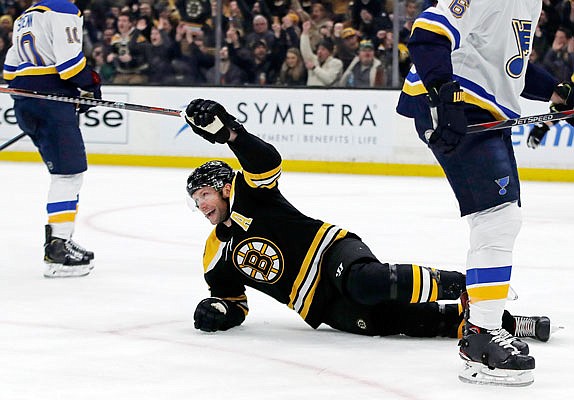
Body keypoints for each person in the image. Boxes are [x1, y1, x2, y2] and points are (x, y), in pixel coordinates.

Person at [182, 98, 554, 347]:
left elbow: (266, 161)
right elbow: (232, 300)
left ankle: (469, 285)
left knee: (366, 283)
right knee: (386, 319)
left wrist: (232, 133)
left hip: (329, 252)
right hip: (318, 304)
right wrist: (219, 313)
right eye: (196, 200)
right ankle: (508, 323)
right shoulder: (215, 253)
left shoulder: (251, 191)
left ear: (226, 187)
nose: (201, 206)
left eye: (204, 195)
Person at [396, 0, 567, 386]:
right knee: (498, 218)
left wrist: (555, 90)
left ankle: (482, 327)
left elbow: (506, 67)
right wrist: (444, 92)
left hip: (484, 107)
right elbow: (427, 33)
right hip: (458, 104)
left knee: (498, 219)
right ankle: (481, 337)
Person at [2, 0, 101, 278]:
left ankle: (60, 241)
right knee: (68, 175)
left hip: (25, 101)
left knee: (63, 172)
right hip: (49, 101)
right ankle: (58, 248)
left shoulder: (24, 16)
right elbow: (70, 66)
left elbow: (10, 72)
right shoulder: (64, 9)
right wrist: (92, 84)